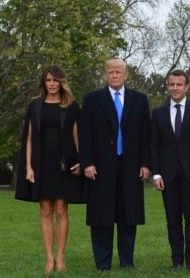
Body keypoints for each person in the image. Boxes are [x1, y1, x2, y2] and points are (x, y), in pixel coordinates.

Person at [78, 58, 151, 271]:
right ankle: (103, 263)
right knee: (102, 215)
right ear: (105, 74)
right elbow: (85, 133)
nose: (115, 75)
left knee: (129, 215)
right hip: (100, 167)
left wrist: (145, 163)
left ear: (126, 74)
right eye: (111, 72)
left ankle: (127, 262)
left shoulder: (140, 100)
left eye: (119, 72)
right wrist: (87, 163)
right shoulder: (92, 100)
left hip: (131, 166)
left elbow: (146, 134)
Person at [15, 65, 84, 274]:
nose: (52, 84)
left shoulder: (71, 105)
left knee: (62, 208)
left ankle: (61, 257)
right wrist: (28, 167)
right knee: (45, 209)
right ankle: (49, 258)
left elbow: (77, 135)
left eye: (55, 80)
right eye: (48, 80)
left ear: (62, 82)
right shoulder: (35, 106)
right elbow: (28, 138)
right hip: (41, 163)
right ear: (43, 83)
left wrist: (82, 160)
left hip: (65, 163)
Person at [150, 70, 190, 273]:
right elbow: (154, 147)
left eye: (179, 84)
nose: (175, 88)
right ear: (167, 86)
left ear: (187, 87)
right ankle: (176, 261)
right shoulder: (158, 113)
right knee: (173, 221)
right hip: (167, 176)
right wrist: (156, 173)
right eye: (171, 84)